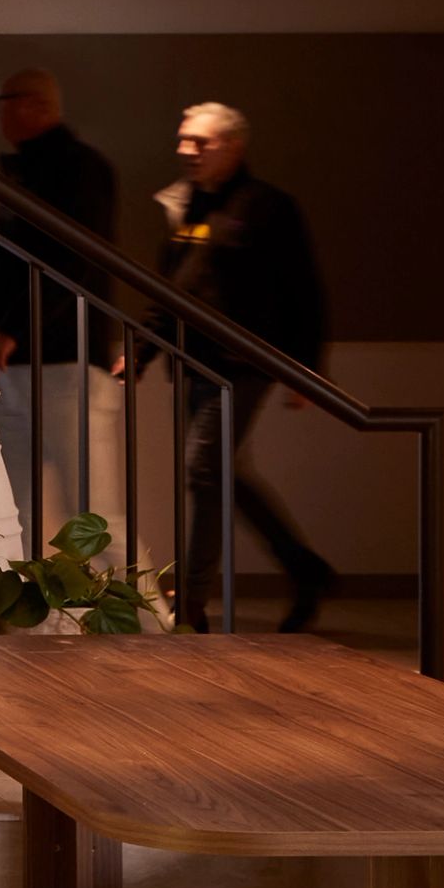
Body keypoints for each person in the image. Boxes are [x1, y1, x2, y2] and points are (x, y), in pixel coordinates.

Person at [152, 102, 339, 633]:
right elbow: (168, 288)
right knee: (219, 475)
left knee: (203, 471)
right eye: (183, 140)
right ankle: (305, 569)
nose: (187, 151)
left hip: (243, 363)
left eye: (200, 143)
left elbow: (304, 288)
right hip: (192, 361)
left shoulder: (268, 206)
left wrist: (307, 368)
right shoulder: (186, 206)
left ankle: (190, 601)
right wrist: (143, 351)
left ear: (232, 147)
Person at [0, 67, 125, 542]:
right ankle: (16, 605)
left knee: (94, 511)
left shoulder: (76, 168)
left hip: (67, 359)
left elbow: (73, 260)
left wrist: (13, 326)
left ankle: (142, 616)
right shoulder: (30, 170)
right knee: (8, 505)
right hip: (24, 360)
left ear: (32, 105)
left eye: (4, 102)